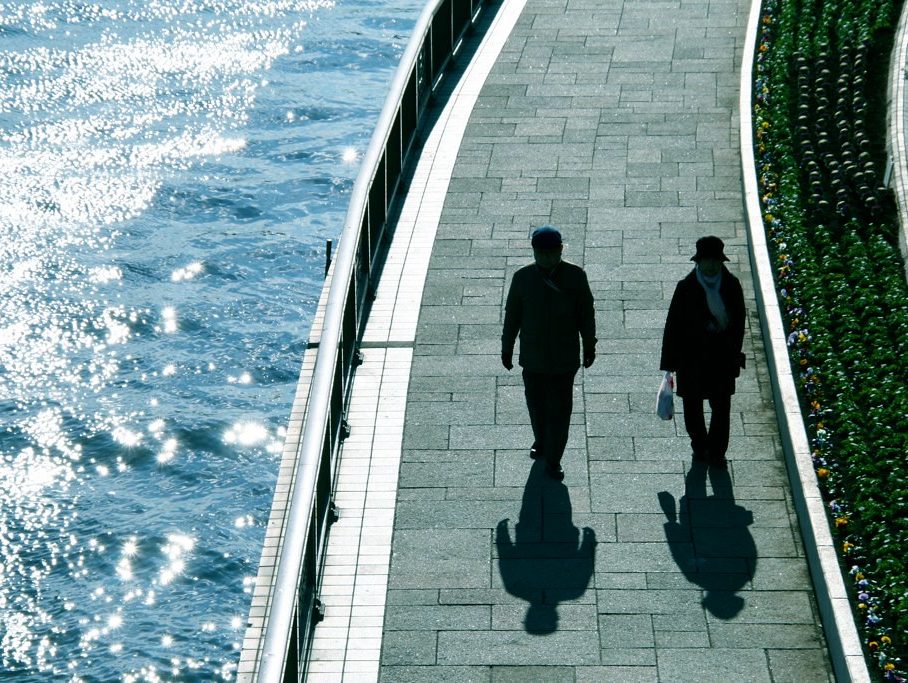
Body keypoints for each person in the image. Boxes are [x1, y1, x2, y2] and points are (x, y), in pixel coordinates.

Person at [501, 225, 596, 481]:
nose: (546, 258)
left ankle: (554, 459)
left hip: (565, 360)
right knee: (536, 404)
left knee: (561, 411)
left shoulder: (575, 277)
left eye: (551, 253)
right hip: (532, 358)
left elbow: (586, 314)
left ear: (561, 250)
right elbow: (512, 316)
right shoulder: (522, 278)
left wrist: (590, 344)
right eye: (541, 253)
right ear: (533, 252)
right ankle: (541, 441)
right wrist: (507, 347)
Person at [660, 236, 746, 469]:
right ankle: (699, 445)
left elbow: (739, 323)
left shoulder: (731, 285)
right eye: (706, 261)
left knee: (721, 408)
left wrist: (733, 351)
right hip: (691, 359)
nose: (711, 266)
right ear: (698, 262)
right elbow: (673, 325)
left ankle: (717, 452)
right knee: (692, 407)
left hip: (722, 358)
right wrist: (669, 361)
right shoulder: (685, 287)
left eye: (715, 261)